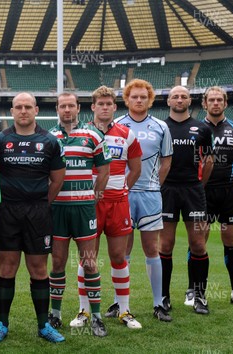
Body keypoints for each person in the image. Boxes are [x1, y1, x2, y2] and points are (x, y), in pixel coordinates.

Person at [0, 92, 66, 343]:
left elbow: (57, 180)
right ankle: (2, 323)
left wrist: (42, 203)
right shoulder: (0, 140)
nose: (23, 111)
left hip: (37, 212)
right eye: (18, 107)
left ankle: (44, 325)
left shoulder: (50, 141)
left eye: (27, 107)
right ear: (12, 111)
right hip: (7, 211)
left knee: (38, 269)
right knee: (7, 267)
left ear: (36, 110)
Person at [46, 92, 111, 337]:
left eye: (71, 105)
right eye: (62, 106)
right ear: (57, 109)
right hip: (58, 210)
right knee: (58, 262)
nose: (67, 110)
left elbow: (104, 171)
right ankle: (56, 315)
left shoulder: (93, 135)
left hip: (84, 210)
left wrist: (93, 197)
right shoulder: (49, 137)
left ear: (78, 108)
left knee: (90, 262)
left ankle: (96, 317)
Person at [113, 79, 173, 322]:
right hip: (122, 195)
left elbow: (166, 161)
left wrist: (154, 184)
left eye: (143, 97)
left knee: (151, 248)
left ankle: (158, 303)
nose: (139, 100)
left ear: (150, 100)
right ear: (127, 100)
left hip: (149, 195)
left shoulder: (161, 127)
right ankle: (119, 303)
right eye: (134, 97)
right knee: (121, 251)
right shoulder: (117, 125)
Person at [85, 86, 143, 329]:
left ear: (114, 107)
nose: (105, 107)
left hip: (118, 203)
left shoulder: (127, 134)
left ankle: (124, 309)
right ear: (93, 107)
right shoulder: (83, 134)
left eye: (109, 103)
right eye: (101, 103)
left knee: (118, 256)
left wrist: (122, 190)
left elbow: (136, 168)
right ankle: (84, 311)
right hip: (90, 203)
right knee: (88, 257)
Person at [160, 85, 214, 315]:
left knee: (198, 244)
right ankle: (163, 297)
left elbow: (209, 161)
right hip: (167, 190)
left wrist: (199, 186)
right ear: (168, 101)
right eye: (175, 96)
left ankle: (199, 296)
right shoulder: (161, 127)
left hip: (193, 190)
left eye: (183, 96)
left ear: (189, 100)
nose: (179, 99)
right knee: (165, 245)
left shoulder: (202, 128)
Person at [199, 86, 233, 308]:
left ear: (225, 103)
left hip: (229, 192)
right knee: (199, 243)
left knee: (231, 242)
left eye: (219, 100)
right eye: (211, 100)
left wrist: (230, 181)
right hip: (202, 192)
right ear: (205, 104)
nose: (216, 103)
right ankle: (195, 291)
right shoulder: (196, 128)